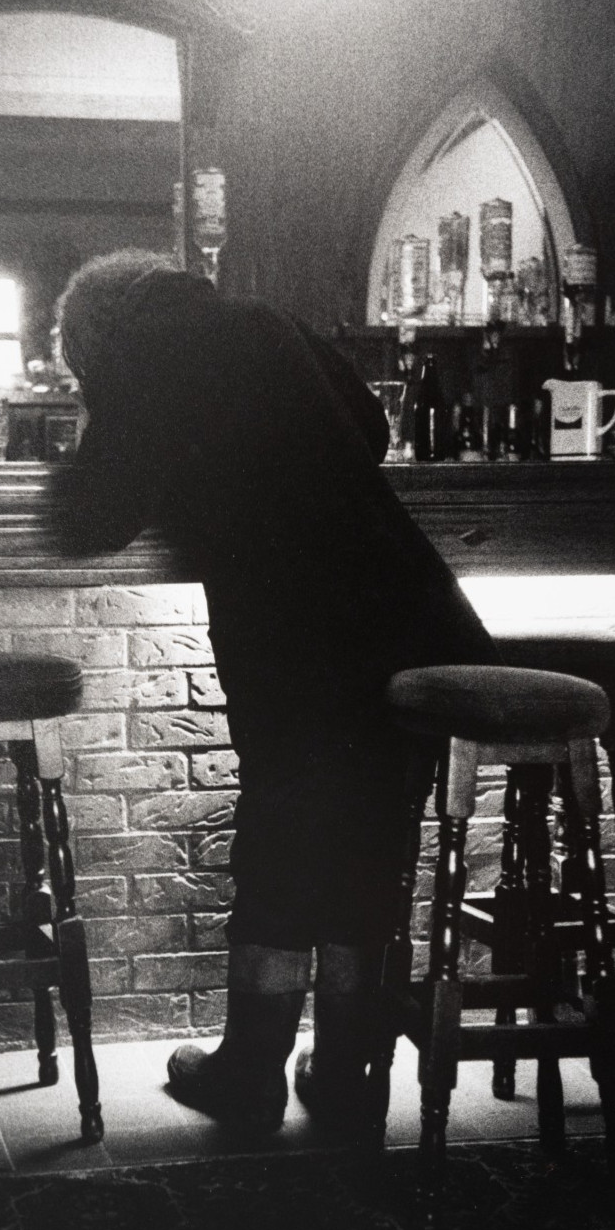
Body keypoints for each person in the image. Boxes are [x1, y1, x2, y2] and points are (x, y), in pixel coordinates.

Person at [51, 248, 499, 1138]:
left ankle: (250, 1071)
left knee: (284, 835)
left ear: (93, 337)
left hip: (295, 628)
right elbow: (370, 425)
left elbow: (90, 517)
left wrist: (100, 437)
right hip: (405, 612)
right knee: (368, 835)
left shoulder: (139, 352)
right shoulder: (264, 319)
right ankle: (343, 1070)